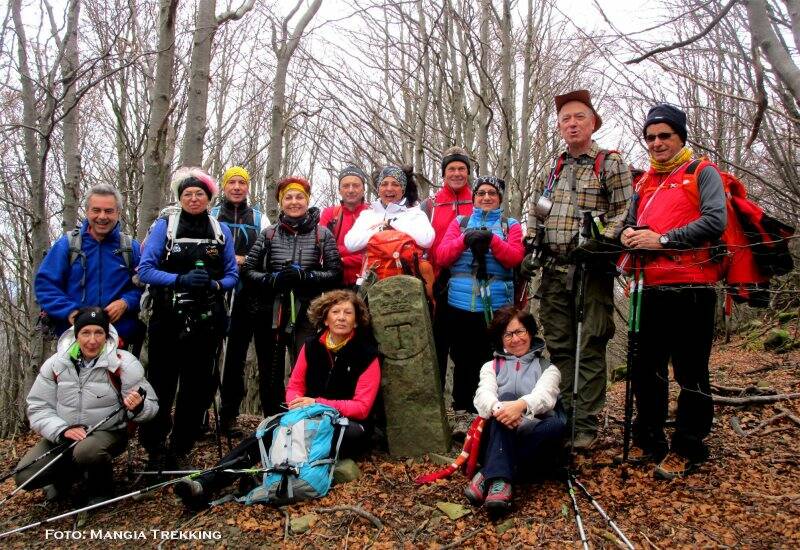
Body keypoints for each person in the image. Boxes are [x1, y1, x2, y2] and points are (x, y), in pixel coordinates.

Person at [173, 290, 381, 508]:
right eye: (335, 311)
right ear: (325, 318)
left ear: (356, 321)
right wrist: (297, 405)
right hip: (306, 417)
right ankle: (205, 483)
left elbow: (362, 407)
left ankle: (266, 483)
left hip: (348, 425)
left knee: (302, 439)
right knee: (265, 434)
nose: (341, 317)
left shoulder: (366, 354)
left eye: (348, 313)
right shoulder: (311, 347)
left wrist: (317, 404)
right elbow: (294, 387)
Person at [620, 103, 726, 479]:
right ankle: (650, 439)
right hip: (647, 289)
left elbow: (716, 219)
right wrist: (628, 234)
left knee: (690, 370)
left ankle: (689, 446)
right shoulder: (645, 182)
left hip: (692, 287)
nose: (657, 143)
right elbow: (630, 225)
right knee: (646, 369)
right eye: (650, 137)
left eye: (665, 135)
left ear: (680, 136)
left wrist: (662, 239)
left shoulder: (702, 171)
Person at [525, 89, 632, 450]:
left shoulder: (609, 163)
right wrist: (531, 244)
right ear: (559, 126)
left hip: (591, 271)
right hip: (554, 271)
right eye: (565, 119)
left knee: (590, 344)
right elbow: (537, 211)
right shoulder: (553, 168)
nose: (572, 124)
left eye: (579, 117)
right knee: (558, 345)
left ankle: (584, 425)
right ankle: (563, 417)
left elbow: (625, 211)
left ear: (592, 122)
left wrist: (603, 243)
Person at [137, 167, 238, 469]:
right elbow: (145, 270)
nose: (193, 198)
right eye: (187, 194)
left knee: (195, 389)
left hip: (206, 322)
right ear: (179, 197)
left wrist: (215, 285)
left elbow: (233, 274)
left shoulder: (220, 230)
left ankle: (181, 446)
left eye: (199, 194)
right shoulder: (165, 227)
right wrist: (179, 280)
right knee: (161, 384)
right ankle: (154, 447)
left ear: (209, 198)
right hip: (167, 319)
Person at [15, 307, 157, 504]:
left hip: (108, 432)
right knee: (24, 476)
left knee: (86, 451)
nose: (92, 340)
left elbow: (151, 405)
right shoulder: (56, 364)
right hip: (64, 435)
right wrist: (62, 430)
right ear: (76, 334)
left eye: (99, 332)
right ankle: (68, 478)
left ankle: (101, 489)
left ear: (107, 334)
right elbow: (38, 406)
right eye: (86, 333)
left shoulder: (123, 363)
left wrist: (138, 407)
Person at [241, 176, 342, 417]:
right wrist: (272, 279)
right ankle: (273, 420)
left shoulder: (322, 234)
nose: (294, 202)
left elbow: (335, 272)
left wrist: (306, 277)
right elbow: (248, 270)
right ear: (280, 202)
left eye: (299, 197)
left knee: (307, 366)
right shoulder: (269, 234)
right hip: (272, 310)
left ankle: (306, 417)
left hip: (309, 310)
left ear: (307, 201)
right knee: (270, 370)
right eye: (288, 197)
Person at [435, 175, 525, 412]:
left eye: (492, 193)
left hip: (497, 306)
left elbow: (514, 257)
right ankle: (462, 411)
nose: (486, 197)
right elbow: (442, 256)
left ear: (500, 198)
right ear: (473, 198)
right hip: (460, 304)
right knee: (463, 359)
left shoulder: (510, 225)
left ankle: (490, 412)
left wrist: (492, 240)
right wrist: (465, 240)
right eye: (481, 193)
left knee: (493, 358)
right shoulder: (460, 223)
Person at [464, 305, 564, 512]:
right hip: (497, 434)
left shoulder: (548, 368)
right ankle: (500, 481)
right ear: (500, 339)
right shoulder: (490, 367)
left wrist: (521, 407)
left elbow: (545, 396)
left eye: (520, 331)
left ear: (530, 333)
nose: (515, 339)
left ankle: (489, 473)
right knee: (505, 398)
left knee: (555, 425)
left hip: (532, 436)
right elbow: (483, 396)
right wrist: (503, 409)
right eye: (508, 334)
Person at [35, 184, 144, 352]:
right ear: (87, 211)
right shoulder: (68, 245)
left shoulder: (130, 248)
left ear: (118, 213)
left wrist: (126, 302)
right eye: (96, 210)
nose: (102, 216)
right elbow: (45, 286)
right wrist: (70, 312)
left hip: (119, 341)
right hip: (74, 340)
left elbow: (145, 287)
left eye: (108, 211)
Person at [212, 166, 271, 434]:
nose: (237, 187)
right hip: (217, 291)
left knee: (250, 356)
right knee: (223, 357)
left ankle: (265, 416)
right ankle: (222, 416)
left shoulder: (259, 218)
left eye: (241, 183)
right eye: (231, 182)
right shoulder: (212, 215)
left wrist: (246, 261)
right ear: (224, 187)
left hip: (251, 292)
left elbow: (270, 252)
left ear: (248, 187)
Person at [422, 147, 475, 391]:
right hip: (437, 281)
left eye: (461, 168)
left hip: (470, 280)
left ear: (468, 172)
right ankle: (436, 405)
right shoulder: (430, 206)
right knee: (437, 345)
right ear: (444, 173)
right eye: (451, 169)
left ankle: (464, 407)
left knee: (466, 347)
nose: (456, 173)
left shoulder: (479, 200)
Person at [319, 165, 371, 288]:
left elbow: (374, 253)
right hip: (335, 282)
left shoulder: (373, 214)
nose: (351, 190)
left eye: (356, 185)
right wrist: (360, 252)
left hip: (368, 283)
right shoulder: (329, 214)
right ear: (339, 190)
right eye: (346, 186)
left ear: (364, 189)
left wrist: (342, 259)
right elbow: (323, 250)